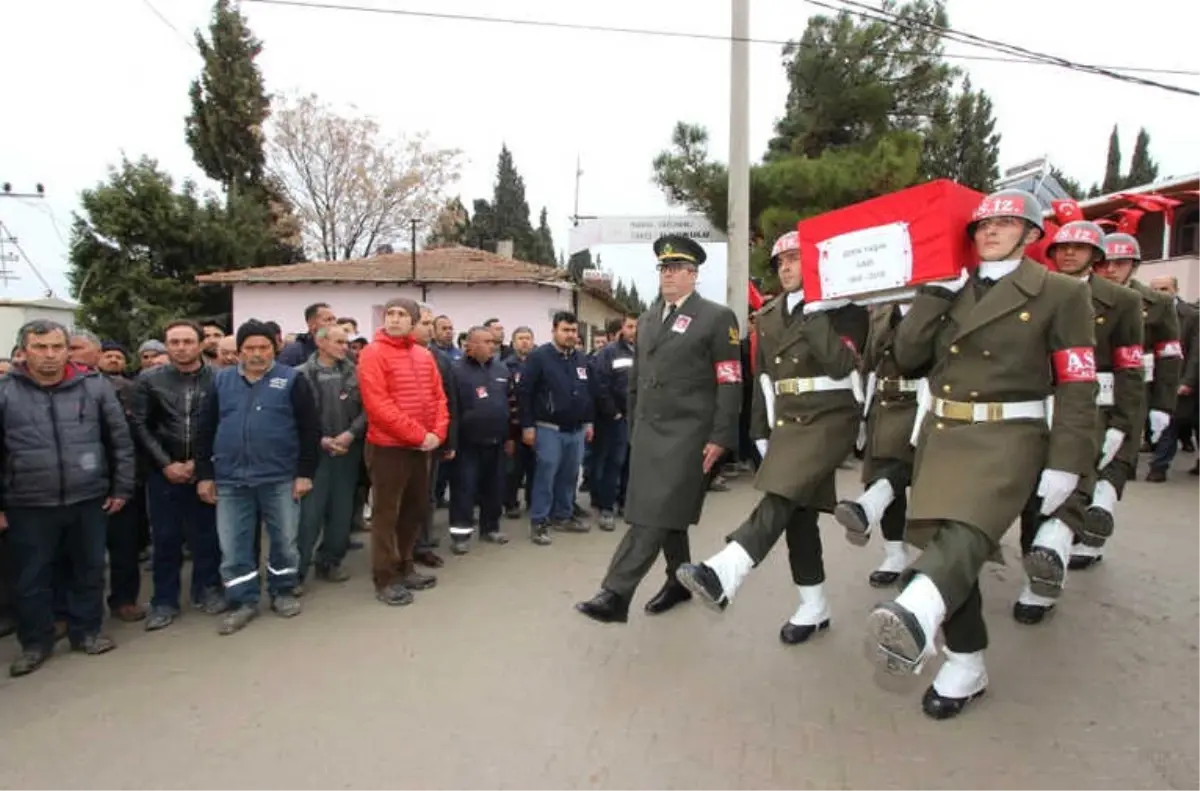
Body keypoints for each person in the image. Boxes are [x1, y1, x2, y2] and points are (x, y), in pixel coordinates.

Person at [864, 189, 1097, 719]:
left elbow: (1079, 383)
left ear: (1033, 235)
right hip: (944, 434)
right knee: (949, 548)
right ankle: (967, 663)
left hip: (1011, 437)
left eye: (1006, 223)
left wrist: (1068, 458)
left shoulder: (1059, 292)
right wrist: (933, 297)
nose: (989, 231)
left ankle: (914, 613)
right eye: (982, 225)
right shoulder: (953, 289)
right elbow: (906, 358)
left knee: (967, 534)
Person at [674, 230, 869, 644]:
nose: (785, 268)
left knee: (781, 493)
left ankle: (728, 569)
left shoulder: (845, 308)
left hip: (832, 415)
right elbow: (763, 377)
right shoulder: (771, 314)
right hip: (791, 419)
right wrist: (760, 430)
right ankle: (814, 606)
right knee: (798, 515)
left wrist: (816, 314)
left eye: (795, 259)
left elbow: (839, 363)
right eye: (780, 262)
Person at [575, 234, 741, 623]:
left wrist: (721, 436)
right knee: (668, 513)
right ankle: (678, 582)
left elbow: (730, 380)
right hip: (649, 434)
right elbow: (637, 380)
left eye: (676, 269)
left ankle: (615, 594)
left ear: (693, 274)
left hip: (689, 435)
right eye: (663, 269)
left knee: (650, 515)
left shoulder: (716, 318)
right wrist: (634, 427)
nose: (667, 276)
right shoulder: (648, 319)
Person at [1009, 221, 1144, 624]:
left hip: (1093, 405)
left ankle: (1045, 574)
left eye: (1079, 249)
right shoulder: (1036, 289)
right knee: (1037, 493)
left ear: (1095, 256)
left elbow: (1130, 366)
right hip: (1038, 402)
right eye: (1063, 247)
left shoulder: (1120, 301)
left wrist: (1124, 422)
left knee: (1072, 481)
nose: (1069, 254)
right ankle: (1040, 562)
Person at [1, 319, 135, 676]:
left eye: (57, 347)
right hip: (28, 503)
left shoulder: (94, 387)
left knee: (89, 569)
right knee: (31, 578)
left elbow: (119, 439)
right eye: (40, 347)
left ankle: (87, 631)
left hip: (87, 498)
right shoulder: (6, 391)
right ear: (24, 350)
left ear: (66, 348)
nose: (49, 355)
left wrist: (122, 487)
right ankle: (35, 643)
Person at [194, 320, 322, 635]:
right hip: (231, 479)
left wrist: (305, 473)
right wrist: (205, 475)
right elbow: (205, 430)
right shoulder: (221, 382)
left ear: (274, 348)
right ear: (238, 352)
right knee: (234, 546)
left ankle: (282, 591)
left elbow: (310, 429)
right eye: (249, 348)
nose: (256, 354)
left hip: (280, 477)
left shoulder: (293, 380)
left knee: (284, 541)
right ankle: (243, 601)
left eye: (263, 347)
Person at [133, 320, 226, 631]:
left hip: (206, 470)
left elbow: (222, 425)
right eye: (174, 342)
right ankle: (164, 600)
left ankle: (207, 588)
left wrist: (201, 466)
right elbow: (140, 426)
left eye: (188, 341)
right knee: (166, 538)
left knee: (207, 535)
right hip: (164, 473)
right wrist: (165, 464)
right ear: (166, 345)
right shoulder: (148, 380)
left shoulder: (220, 378)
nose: (181, 348)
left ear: (200, 344)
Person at [357, 298, 449, 606]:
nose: (394, 319)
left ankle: (405, 564)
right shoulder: (372, 353)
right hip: (388, 447)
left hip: (421, 446)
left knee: (414, 509)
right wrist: (420, 434)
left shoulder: (424, 356)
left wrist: (438, 432)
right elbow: (378, 405)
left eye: (401, 315)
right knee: (386, 514)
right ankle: (385, 577)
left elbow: (439, 398)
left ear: (414, 321)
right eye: (389, 314)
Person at [833, 297, 921, 588]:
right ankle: (895, 553)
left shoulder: (938, 305)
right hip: (884, 403)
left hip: (923, 402)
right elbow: (870, 364)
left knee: (909, 474)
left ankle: (942, 559)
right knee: (878, 477)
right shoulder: (883, 311)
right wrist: (864, 410)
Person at [294, 325, 366, 590]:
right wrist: (320, 439)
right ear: (320, 343)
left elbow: (368, 409)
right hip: (315, 455)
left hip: (347, 452)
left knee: (341, 513)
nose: (344, 347)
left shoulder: (356, 373)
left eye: (346, 342)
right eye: (338, 341)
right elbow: (296, 417)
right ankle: (297, 572)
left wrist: (350, 434)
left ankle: (330, 561)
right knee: (309, 517)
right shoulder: (300, 375)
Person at [516, 311, 595, 545]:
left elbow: (587, 392)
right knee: (546, 474)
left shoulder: (580, 358)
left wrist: (588, 422)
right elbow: (525, 393)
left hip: (577, 430)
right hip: (548, 428)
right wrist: (527, 426)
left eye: (573, 331)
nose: (570, 335)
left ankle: (563, 515)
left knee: (570, 475)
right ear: (554, 330)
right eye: (565, 330)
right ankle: (539, 521)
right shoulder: (539, 357)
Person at [449, 326, 518, 553]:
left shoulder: (501, 369)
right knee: (464, 488)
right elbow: (451, 409)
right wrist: (451, 442)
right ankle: (461, 533)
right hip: (467, 443)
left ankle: (490, 527)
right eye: (487, 341)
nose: (493, 345)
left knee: (494, 486)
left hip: (497, 441)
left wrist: (510, 436)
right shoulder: (456, 371)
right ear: (471, 345)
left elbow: (511, 404)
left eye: (493, 342)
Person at [414, 304, 459, 568]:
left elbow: (449, 402)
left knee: (427, 495)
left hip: (432, 440)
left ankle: (423, 543)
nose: (429, 329)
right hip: (399, 441)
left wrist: (447, 440)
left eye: (432, 324)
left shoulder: (440, 359)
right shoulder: (389, 355)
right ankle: (400, 550)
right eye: (425, 323)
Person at [590, 314, 637, 531]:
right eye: (630, 326)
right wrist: (614, 413)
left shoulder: (642, 352)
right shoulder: (609, 352)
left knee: (631, 463)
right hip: (615, 419)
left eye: (636, 326)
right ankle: (606, 508)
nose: (634, 330)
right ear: (620, 330)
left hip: (636, 418)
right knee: (613, 463)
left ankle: (625, 502)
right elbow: (600, 385)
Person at [503, 327, 536, 518]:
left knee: (535, 467)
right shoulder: (506, 365)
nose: (525, 342)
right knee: (513, 469)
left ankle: (533, 501)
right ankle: (510, 503)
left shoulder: (538, 363)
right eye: (520, 338)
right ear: (513, 342)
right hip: (514, 426)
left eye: (528, 338)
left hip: (534, 423)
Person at [278, 302, 338, 367]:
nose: (334, 324)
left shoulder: (340, 349)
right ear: (312, 324)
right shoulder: (294, 351)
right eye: (328, 320)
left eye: (334, 319)